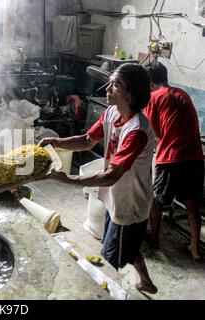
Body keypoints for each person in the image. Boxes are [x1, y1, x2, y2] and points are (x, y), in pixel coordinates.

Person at [38, 63, 158, 294]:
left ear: (131, 93)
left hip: (130, 202)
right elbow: (86, 140)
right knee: (127, 246)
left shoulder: (137, 131)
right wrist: (56, 142)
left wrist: (69, 179)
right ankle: (147, 283)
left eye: (116, 85)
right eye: (110, 82)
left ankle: (110, 292)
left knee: (110, 258)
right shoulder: (112, 112)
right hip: (117, 195)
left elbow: (111, 175)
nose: (108, 87)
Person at [144, 61, 204, 260]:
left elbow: (154, 133)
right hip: (195, 157)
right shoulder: (183, 94)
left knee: (157, 200)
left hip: (171, 157)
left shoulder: (154, 97)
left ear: (150, 83)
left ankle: (155, 239)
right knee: (192, 204)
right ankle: (195, 248)